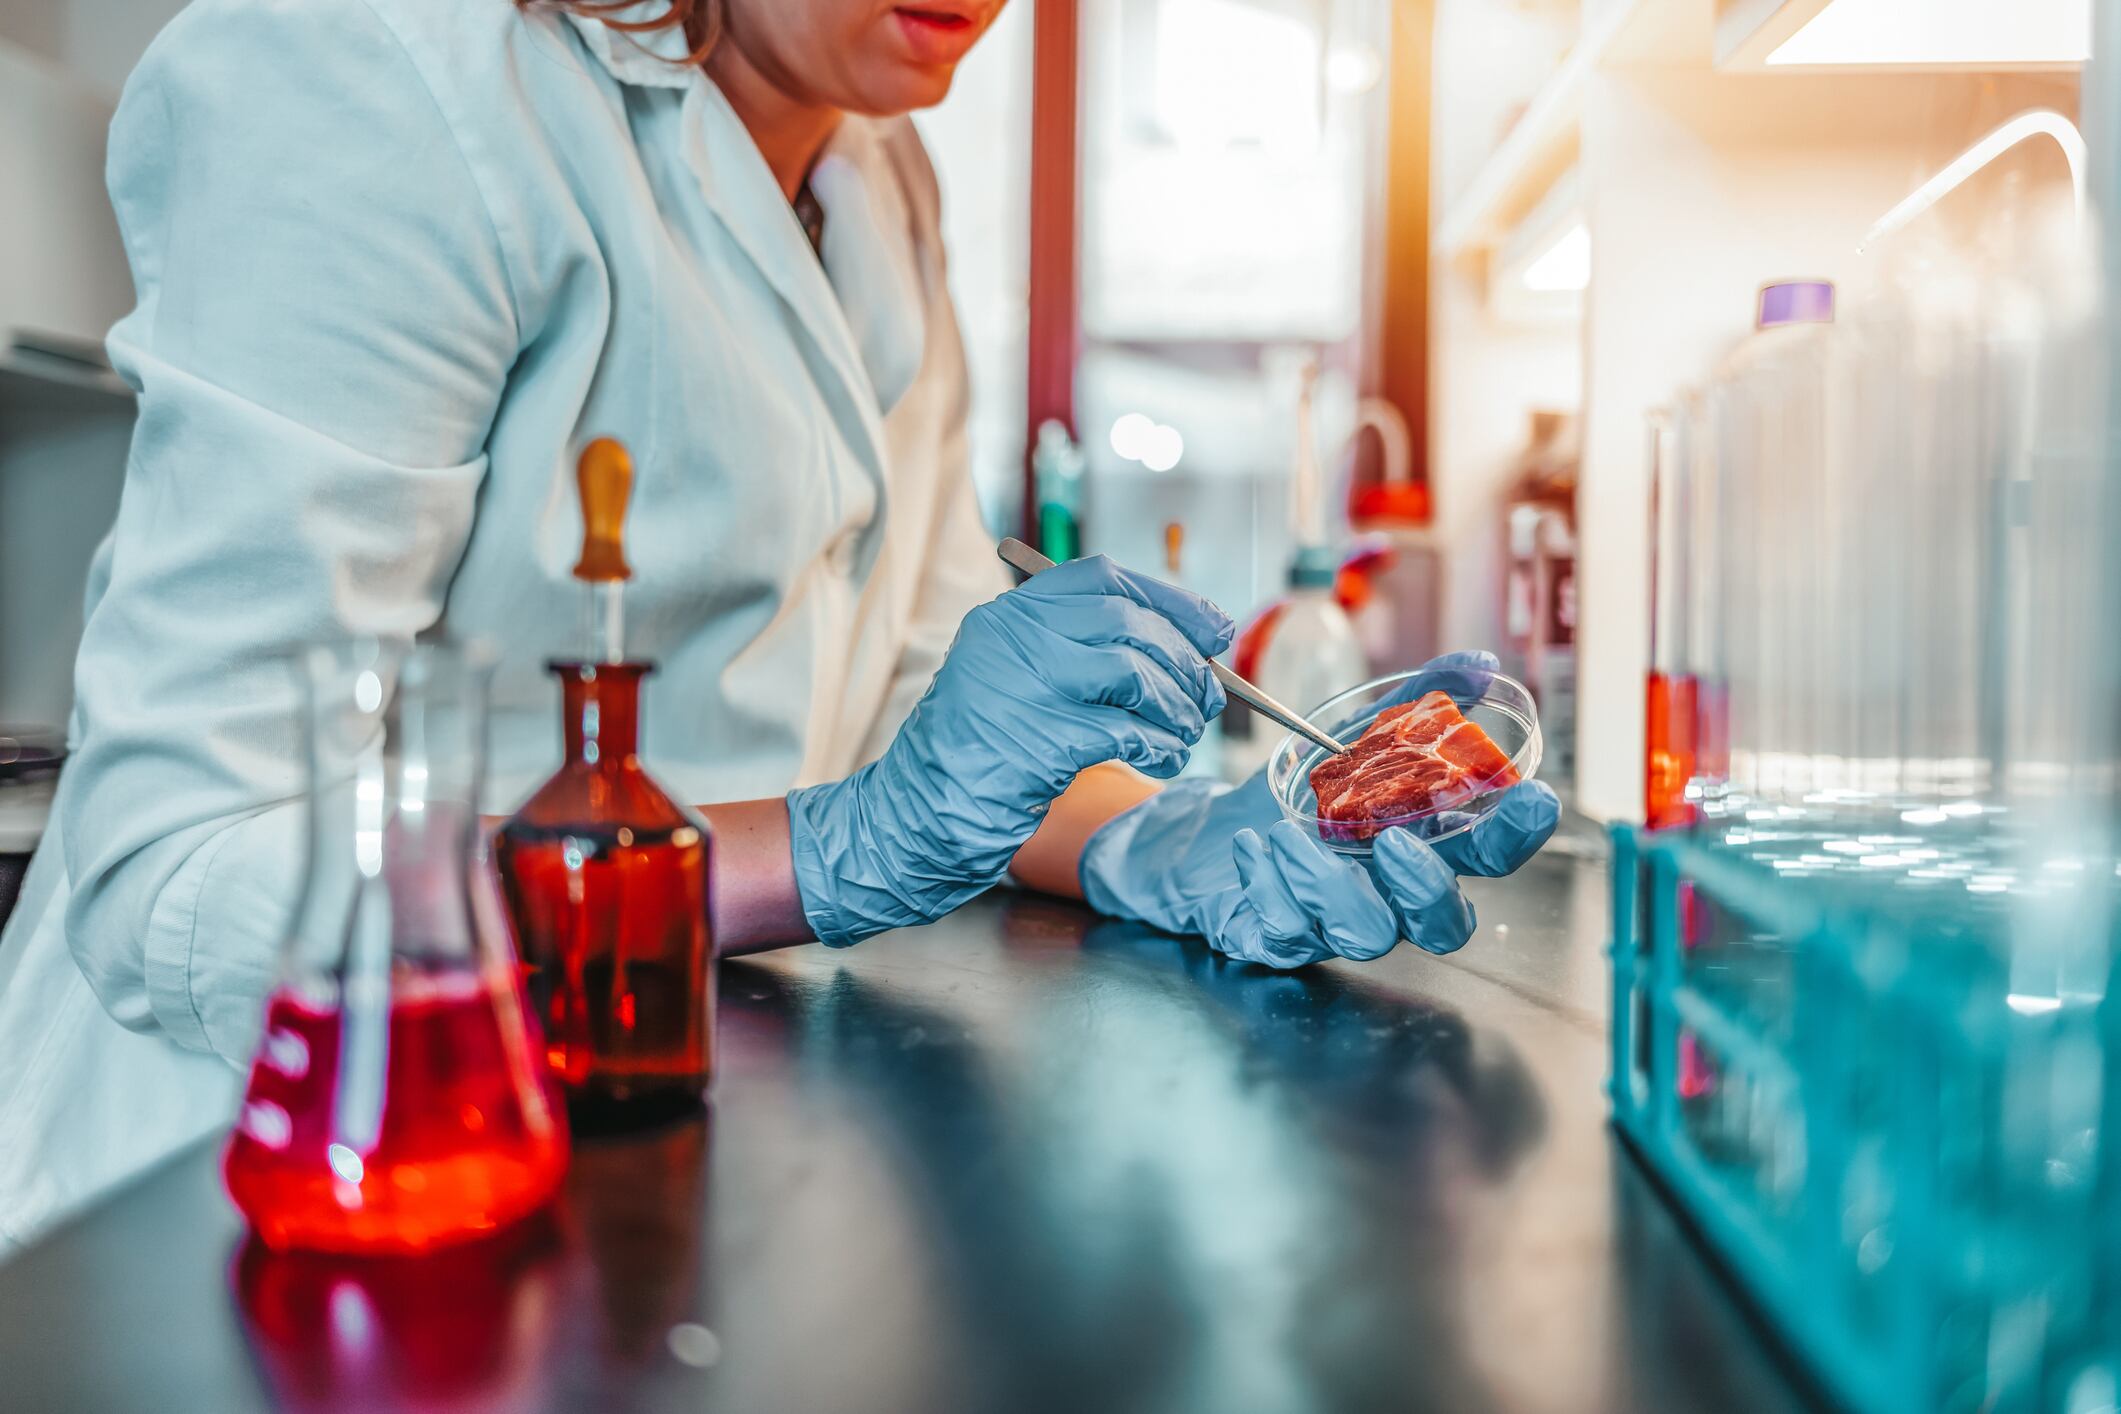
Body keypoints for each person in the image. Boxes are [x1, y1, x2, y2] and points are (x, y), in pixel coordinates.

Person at [0, 0, 1559, 1249]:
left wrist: (1156, 842)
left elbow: (911, 689)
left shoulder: (880, 172)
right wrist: (830, 845)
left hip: (646, 1156)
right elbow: (172, 870)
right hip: (257, 1197)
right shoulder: (381, 70)